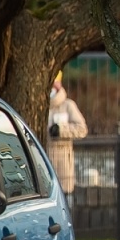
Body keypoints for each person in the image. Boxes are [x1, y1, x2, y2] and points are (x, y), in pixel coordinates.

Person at [46, 73, 88, 202]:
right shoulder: (41, 106)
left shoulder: (68, 105)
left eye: (55, 83)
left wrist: (61, 130)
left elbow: (81, 129)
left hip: (62, 163)